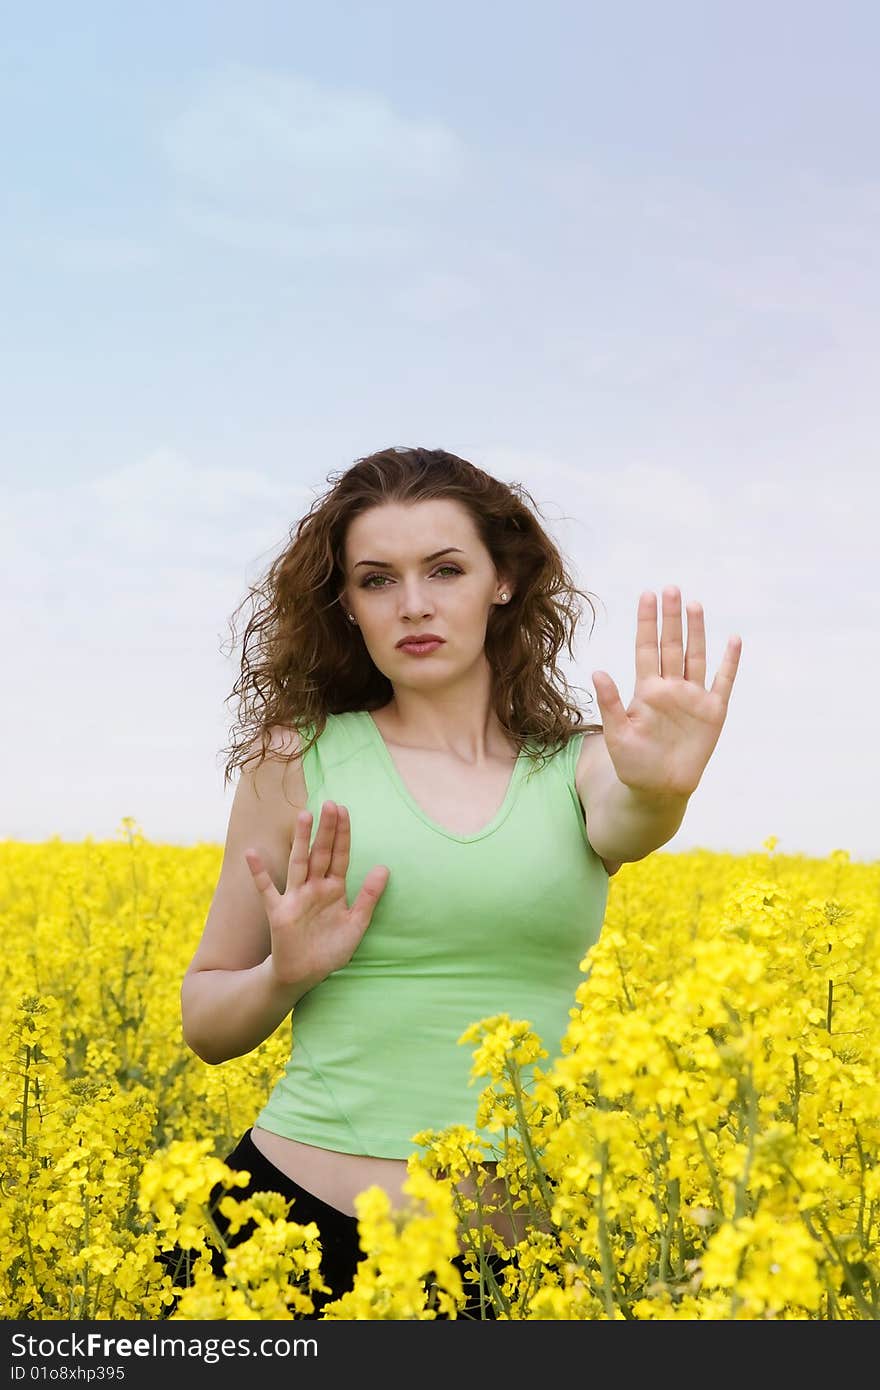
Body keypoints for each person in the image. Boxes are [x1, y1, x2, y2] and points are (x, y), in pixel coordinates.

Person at [168, 445, 741, 1319]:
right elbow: (206, 1020)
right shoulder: (292, 760)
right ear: (346, 606)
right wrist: (286, 972)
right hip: (289, 1239)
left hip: (523, 1276)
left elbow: (633, 820)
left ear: (502, 580)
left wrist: (664, 787)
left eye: (444, 569)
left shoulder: (581, 768)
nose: (414, 604)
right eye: (376, 580)